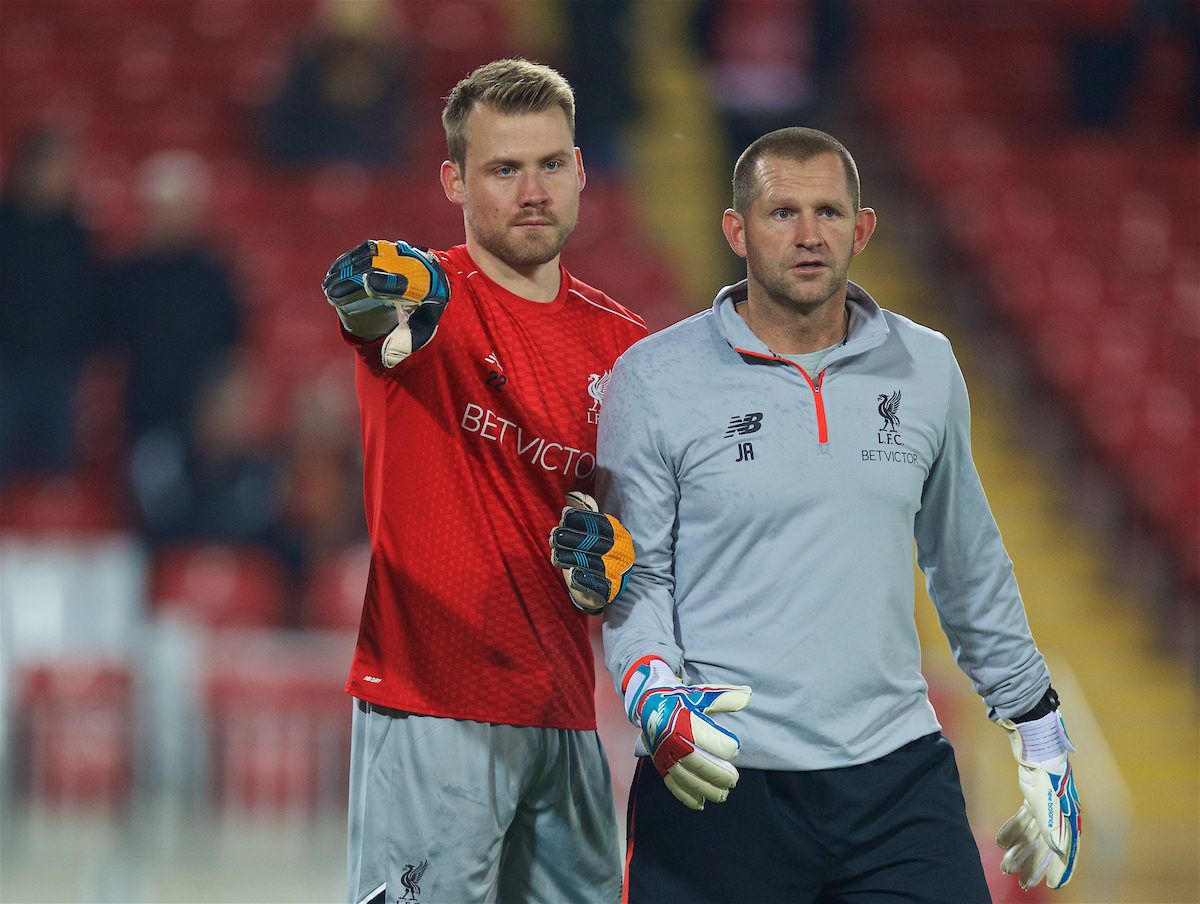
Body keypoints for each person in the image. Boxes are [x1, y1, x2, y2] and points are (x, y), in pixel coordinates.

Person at [596, 127, 1082, 903]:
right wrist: (652, 689)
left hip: (897, 782)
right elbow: (635, 573)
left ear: (862, 229)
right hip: (717, 779)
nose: (809, 234)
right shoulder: (653, 379)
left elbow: (966, 562)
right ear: (736, 230)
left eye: (828, 212)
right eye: (782, 212)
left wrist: (1041, 731)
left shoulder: (926, 366)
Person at [319, 59, 647, 904]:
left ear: (580, 171)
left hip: (568, 722)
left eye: (549, 164)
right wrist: (370, 296)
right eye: (503, 169)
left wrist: (611, 560)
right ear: (454, 180)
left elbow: (635, 542)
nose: (532, 190)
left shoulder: (628, 349)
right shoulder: (429, 305)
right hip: (433, 707)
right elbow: (378, 316)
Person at [102, 149, 242, 545]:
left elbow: (232, 348)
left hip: (203, 426)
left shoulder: (214, 274)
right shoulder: (129, 272)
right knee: (154, 517)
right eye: (161, 207)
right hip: (148, 419)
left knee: (206, 519)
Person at [0, 127, 101, 483]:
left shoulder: (75, 233)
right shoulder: (5, 226)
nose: (60, 178)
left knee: (57, 476)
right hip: (7, 367)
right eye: (54, 168)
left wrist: (78, 353)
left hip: (58, 371)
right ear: (28, 168)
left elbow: (89, 301)